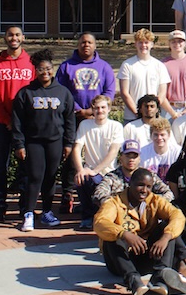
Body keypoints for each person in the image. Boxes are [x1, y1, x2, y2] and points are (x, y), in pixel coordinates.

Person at [94, 168, 186, 295]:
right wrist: (125, 234)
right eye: (140, 185)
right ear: (130, 184)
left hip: (143, 256)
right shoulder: (114, 202)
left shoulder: (155, 200)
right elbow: (99, 222)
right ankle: (133, 281)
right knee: (111, 236)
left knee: (167, 227)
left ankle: (160, 276)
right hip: (119, 261)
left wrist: (165, 237)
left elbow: (177, 216)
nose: (144, 190)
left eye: (148, 187)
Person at [12, 49, 76, 232]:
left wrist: (68, 143)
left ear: (52, 69)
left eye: (48, 68)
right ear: (35, 70)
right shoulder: (25, 93)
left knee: (50, 178)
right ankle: (29, 213)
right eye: (41, 69)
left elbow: (70, 120)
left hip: (55, 142)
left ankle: (47, 212)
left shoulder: (63, 93)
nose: (45, 72)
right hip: (34, 142)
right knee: (35, 177)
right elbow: (17, 121)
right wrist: (19, 144)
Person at [54, 32, 116, 214]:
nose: (86, 45)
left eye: (89, 42)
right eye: (82, 42)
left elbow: (110, 91)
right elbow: (61, 90)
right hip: (72, 118)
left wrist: (92, 111)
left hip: (98, 117)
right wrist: (78, 109)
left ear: (95, 45)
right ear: (78, 44)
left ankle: (93, 195)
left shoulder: (104, 67)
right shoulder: (67, 66)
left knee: (97, 153)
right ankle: (67, 194)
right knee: (71, 156)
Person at [0, 25, 35, 222]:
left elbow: (35, 93)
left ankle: (25, 209)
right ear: (5, 38)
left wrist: (23, 122)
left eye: (17, 35)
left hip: (26, 126)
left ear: (23, 37)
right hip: (3, 125)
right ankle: (0, 207)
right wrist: (8, 121)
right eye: (10, 35)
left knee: (26, 168)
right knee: (1, 167)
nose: (13, 38)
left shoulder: (31, 64)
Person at [72, 94, 124, 230]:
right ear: (92, 109)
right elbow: (77, 148)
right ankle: (87, 216)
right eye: (96, 108)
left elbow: (113, 152)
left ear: (108, 109)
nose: (100, 111)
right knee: (82, 179)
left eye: (103, 107)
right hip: (89, 170)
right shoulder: (85, 125)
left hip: (110, 172)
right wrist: (80, 170)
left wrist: (95, 171)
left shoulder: (116, 126)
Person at [91, 139, 173, 207]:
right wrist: (117, 203)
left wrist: (150, 202)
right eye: (128, 155)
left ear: (139, 159)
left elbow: (168, 193)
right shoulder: (112, 177)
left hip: (146, 214)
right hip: (119, 214)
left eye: (134, 156)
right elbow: (98, 194)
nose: (131, 159)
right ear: (121, 157)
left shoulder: (149, 176)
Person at [118, 28, 172, 123]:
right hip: (132, 117)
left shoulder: (159, 65)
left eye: (146, 42)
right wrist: (138, 113)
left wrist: (151, 112)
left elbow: (162, 93)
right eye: (140, 42)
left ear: (152, 44)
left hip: (153, 118)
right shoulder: (127, 65)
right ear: (135, 44)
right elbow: (124, 93)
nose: (143, 45)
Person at [138, 118, 182, 182]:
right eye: (156, 134)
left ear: (169, 135)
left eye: (162, 135)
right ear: (151, 135)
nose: (159, 138)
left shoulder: (177, 152)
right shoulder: (143, 152)